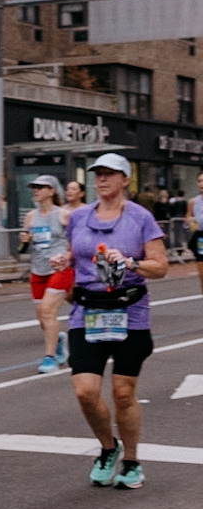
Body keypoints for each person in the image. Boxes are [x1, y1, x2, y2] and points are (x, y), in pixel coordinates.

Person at [68, 153, 168, 490]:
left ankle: (133, 461)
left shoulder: (141, 218)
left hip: (130, 311)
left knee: (123, 393)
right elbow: (75, 253)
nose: (102, 180)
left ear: (126, 179)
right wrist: (61, 259)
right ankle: (108, 449)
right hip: (87, 311)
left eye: (110, 174)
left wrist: (130, 263)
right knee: (85, 391)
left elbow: (161, 266)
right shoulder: (79, 216)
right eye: (98, 174)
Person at [22, 175, 74, 373]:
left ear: (52, 191)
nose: (36, 191)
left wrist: (68, 256)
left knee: (47, 311)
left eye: (40, 187)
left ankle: (49, 358)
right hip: (38, 269)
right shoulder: (30, 216)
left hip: (59, 269)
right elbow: (25, 246)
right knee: (42, 318)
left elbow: (75, 240)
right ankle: (58, 340)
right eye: (34, 188)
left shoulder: (63, 214)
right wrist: (25, 239)